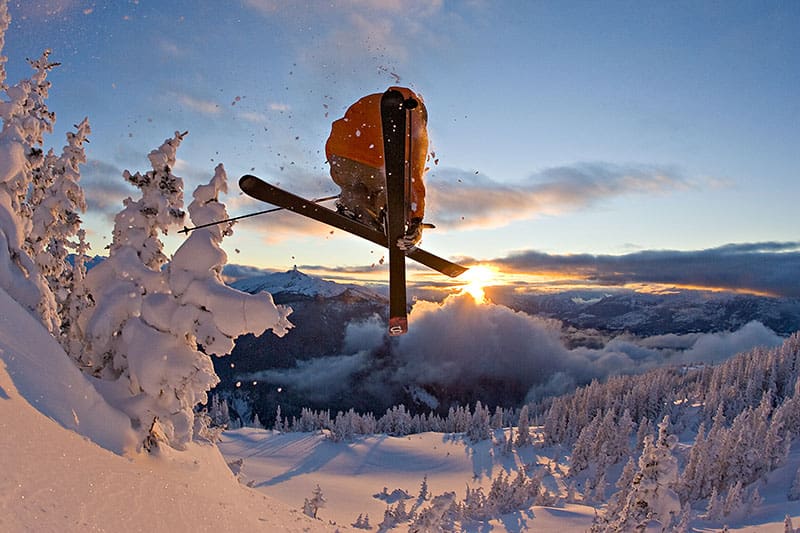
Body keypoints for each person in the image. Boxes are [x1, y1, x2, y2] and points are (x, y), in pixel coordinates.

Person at [325, 86, 429, 249]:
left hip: (340, 155)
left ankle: (352, 204)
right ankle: (392, 216)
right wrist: (416, 220)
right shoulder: (413, 116)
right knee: (389, 190)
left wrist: (336, 168)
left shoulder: (374, 101)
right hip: (377, 161)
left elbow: (339, 133)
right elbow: (413, 176)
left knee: (355, 187)